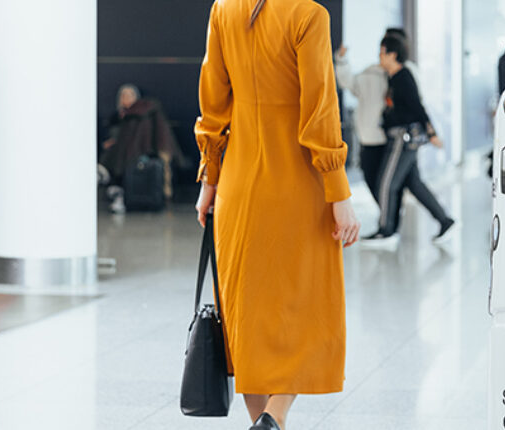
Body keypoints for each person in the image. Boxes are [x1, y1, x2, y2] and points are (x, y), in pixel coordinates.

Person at [192, 1, 361, 429]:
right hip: (296, 185)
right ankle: (275, 415)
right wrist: (338, 192)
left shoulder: (223, 9)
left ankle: (266, 424)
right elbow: (320, 109)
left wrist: (210, 180)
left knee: (248, 320)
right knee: (303, 309)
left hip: (237, 185)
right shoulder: (308, 15)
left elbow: (212, 104)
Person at [335, 31, 455, 245]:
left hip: (403, 138)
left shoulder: (403, 76)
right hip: (398, 137)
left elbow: (417, 107)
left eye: (382, 53)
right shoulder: (391, 76)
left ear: (392, 55)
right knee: (414, 184)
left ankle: (386, 231)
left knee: (387, 182)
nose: (379, 57)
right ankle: (445, 221)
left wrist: (432, 133)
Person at [99, 84, 182, 213]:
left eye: (129, 95)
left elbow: (137, 139)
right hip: (121, 152)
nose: (125, 99)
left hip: (136, 153)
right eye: (123, 96)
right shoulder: (118, 117)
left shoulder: (140, 115)